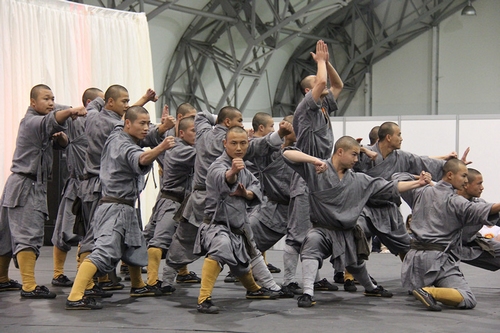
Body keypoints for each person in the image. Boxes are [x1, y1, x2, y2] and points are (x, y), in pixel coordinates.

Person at [282, 136, 431, 307]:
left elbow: (390, 187)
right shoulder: (317, 170)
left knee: (355, 265)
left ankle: (371, 287)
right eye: (353, 154)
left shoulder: (359, 180)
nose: (356, 160)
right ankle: (308, 292)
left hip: (346, 232)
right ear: (340, 152)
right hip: (322, 230)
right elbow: (287, 154)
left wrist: (418, 183)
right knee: (311, 245)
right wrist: (315, 160)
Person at [162, 107, 290, 295]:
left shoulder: (203, 134)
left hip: (198, 201)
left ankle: (165, 280)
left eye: (241, 143)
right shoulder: (240, 146)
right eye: (239, 120)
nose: (242, 124)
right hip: (222, 204)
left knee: (183, 241)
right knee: (241, 245)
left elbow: (200, 115)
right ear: (227, 140)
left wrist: (218, 117)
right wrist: (280, 133)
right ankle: (263, 286)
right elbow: (261, 145)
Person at [65, 106, 176, 310]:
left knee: (133, 243)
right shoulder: (124, 146)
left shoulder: (117, 132)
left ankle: (137, 285)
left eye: (147, 123)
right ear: (127, 123)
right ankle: (75, 296)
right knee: (104, 251)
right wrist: (161, 147)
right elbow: (141, 158)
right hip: (115, 208)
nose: (145, 128)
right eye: (141, 123)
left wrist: (160, 128)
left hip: (124, 206)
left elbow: (129, 121)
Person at [0, 84, 87, 297]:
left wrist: (63, 137)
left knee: (7, 235)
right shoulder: (31, 121)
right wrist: (72, 111)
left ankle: (2, 278)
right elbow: (52, 119)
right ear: (32, 102)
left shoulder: (41, 121)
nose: (50, 103)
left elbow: (60, 136)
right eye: (46, 99)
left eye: (52, 99)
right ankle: (29, 286)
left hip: (20, 185)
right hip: (26, 186)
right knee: (27, 234)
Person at [394, 160, 500, 311]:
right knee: (467, 298)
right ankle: (429, 291)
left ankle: (425, 288)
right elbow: (480, 211)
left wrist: (420, 179)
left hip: (414, 261)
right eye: (463, 175)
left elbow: (397, 176)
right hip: (438, 258)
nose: (465, 180)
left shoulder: (420, 191)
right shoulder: (455, 201)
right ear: (450, 175)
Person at [194, 126, 279, 314]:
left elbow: (255, 187)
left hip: (239, 227)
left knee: (242, 265)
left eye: (243, 143)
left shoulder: (245, 169)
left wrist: (246, 193)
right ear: (225, 144)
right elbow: (221, 176)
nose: (239, 148)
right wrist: (231, 173)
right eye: (234, 143)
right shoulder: (219, 165)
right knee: (221, 246)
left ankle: (254, 289)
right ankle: (203, 299)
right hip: (216, 227)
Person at [284, 39, 343, 294]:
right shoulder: (305, 109)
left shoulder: (323, 107)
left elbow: (337, 84)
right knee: (297, 233)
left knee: (314, 231)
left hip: (321, 177)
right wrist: (319, 63)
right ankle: (287, 282)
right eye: (320, 88)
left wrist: (327, 64)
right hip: (306, 176)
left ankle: (315, 278)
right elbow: (320, 84)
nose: (327, 89)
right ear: (309, 93)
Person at [51, 88, 104, 288]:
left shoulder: (99, 124)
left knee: (91, 233)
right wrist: (75, 110)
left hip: (96, 186)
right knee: (64, 230)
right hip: (76, 185)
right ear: (89, 103)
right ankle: (58, 274)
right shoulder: (74, 120)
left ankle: (89, 278)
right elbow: (51, 109)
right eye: (100, 102)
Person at [143, 116, 197, 293]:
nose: (198, 135)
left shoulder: (182, 147)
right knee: (159, 239)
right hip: (172, 201)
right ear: (181, 133)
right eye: (194, 131)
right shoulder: (181, 150)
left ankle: (180, 272)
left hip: (178, 201)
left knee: (178, 239)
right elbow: (204, 156)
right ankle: (151, 281)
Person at [456, 168, 500, 270]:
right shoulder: (449, 201)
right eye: (479, 184)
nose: (482, 188)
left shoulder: (479, 203)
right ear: (466, 184)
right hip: (445, 249)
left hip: (470, 244)